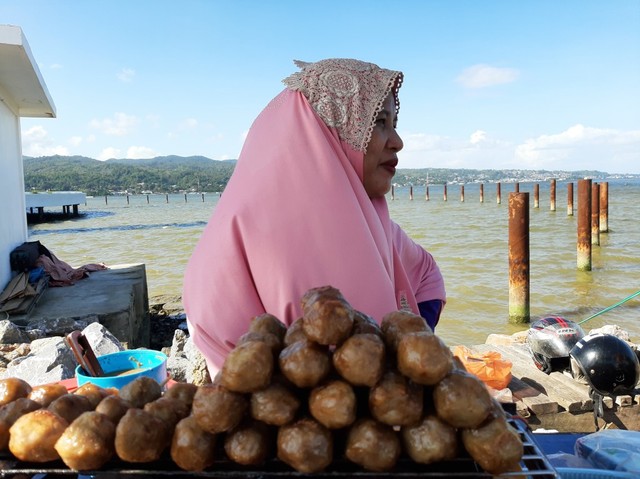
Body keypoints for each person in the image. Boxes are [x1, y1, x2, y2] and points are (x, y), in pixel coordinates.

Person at [183, 58, 446, 374]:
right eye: (377, 121)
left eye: (394, 123)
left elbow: (427, 275)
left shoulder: (376, 226)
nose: (397, 141)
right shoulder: (240, 232)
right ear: (324, 133)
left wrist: (410, 350)